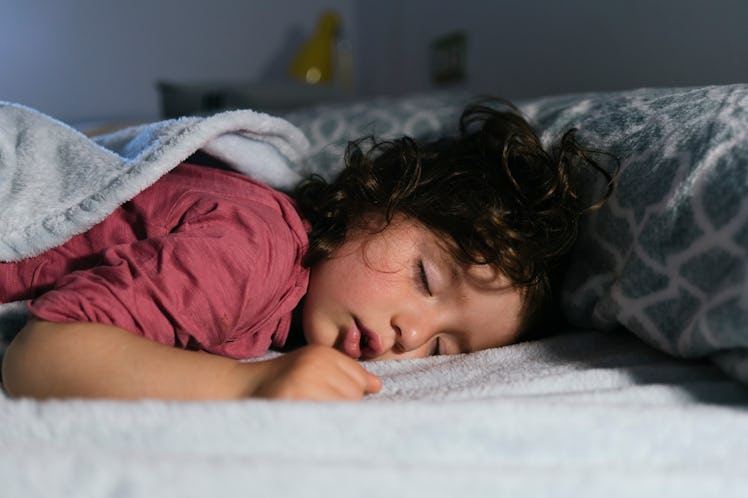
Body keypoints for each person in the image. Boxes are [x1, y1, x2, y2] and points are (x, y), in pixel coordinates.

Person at [0, 101, 614, 401]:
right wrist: (250, 385)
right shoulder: (254, 250)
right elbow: (43, 357)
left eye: (442, 345)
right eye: (426, 278)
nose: (410, 332)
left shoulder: (283, 289)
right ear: (377, 202)